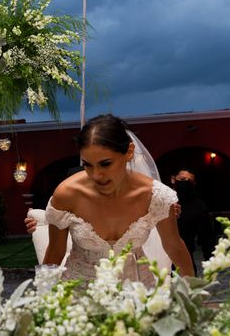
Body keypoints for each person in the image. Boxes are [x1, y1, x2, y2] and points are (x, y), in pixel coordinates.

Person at [42, 114, 194, 286]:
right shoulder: (67, 194)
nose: (96, 175)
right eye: (87, 165)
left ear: (129, 152)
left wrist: (193, 294)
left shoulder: (156, 196)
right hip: (79, 296)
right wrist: (44, 298)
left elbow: (174, 246)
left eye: (105, 164)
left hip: (138, 292)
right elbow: (55, 252)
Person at [171, 167, 215, 275]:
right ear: (173, 179)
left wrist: (210, 261)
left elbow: (207, 235)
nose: (185, 183)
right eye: (182, 179)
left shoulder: (198, 205)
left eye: (189, 181)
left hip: (185, 259)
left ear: (193, 184)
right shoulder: (162, 200)